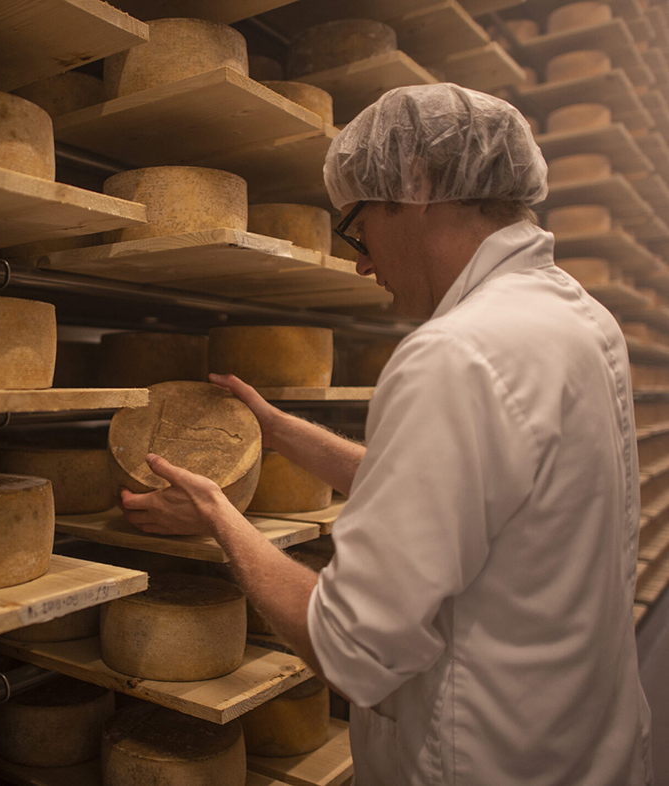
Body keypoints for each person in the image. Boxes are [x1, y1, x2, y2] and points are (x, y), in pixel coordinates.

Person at [119, 83, 653, 785]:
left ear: (418, 184)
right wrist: (279, 436)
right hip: (583, 742)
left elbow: (347, 646)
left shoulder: (455, 355)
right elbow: (467, 498)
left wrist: (220, 516)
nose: (361, 260)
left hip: (487, 760)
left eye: (356, 226)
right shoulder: (578, 320)